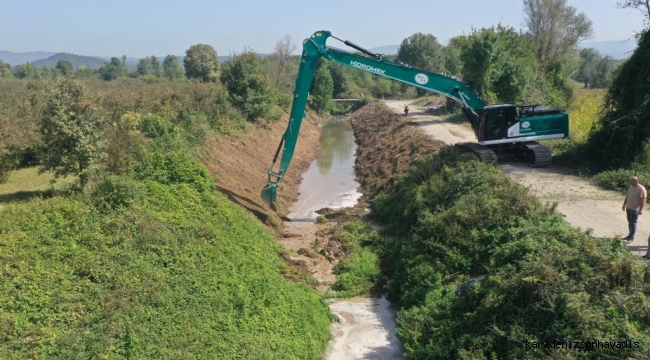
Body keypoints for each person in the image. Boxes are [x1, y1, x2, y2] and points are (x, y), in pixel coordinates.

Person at [622, 176, 646, 243]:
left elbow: (643, 199)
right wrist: (624, 205)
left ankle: (631, 238)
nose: (630, 182)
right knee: (630, 222)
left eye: (631, 181)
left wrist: (641, 209)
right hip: (629, 207)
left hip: (635, 209)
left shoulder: (641, 189)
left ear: (636, 181)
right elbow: (628, 196)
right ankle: (629, 235)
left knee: (633, 223)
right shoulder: (631, 187)